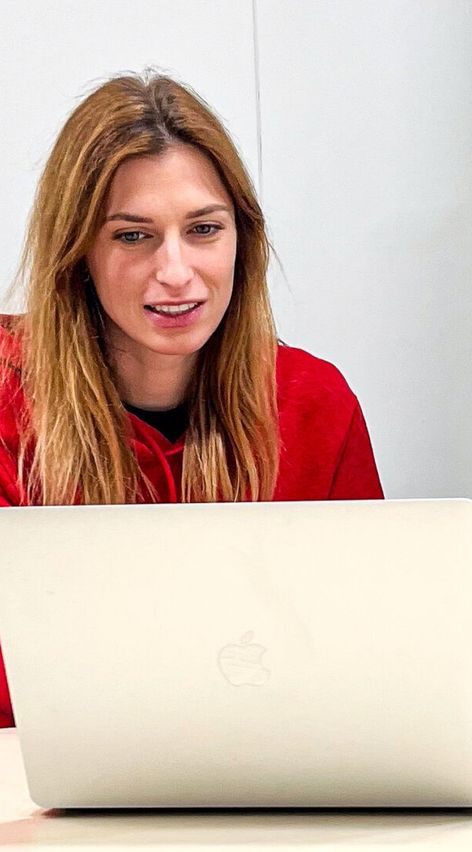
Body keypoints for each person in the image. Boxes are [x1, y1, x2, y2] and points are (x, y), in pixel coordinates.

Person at [0, 74, 383, 725]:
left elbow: (364, 651)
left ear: (242, 239)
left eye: (203, 229)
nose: (176, 272)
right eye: (132, 235)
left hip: (268, 776)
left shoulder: (314, 401)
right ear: (78, 253)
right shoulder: (11, 400)